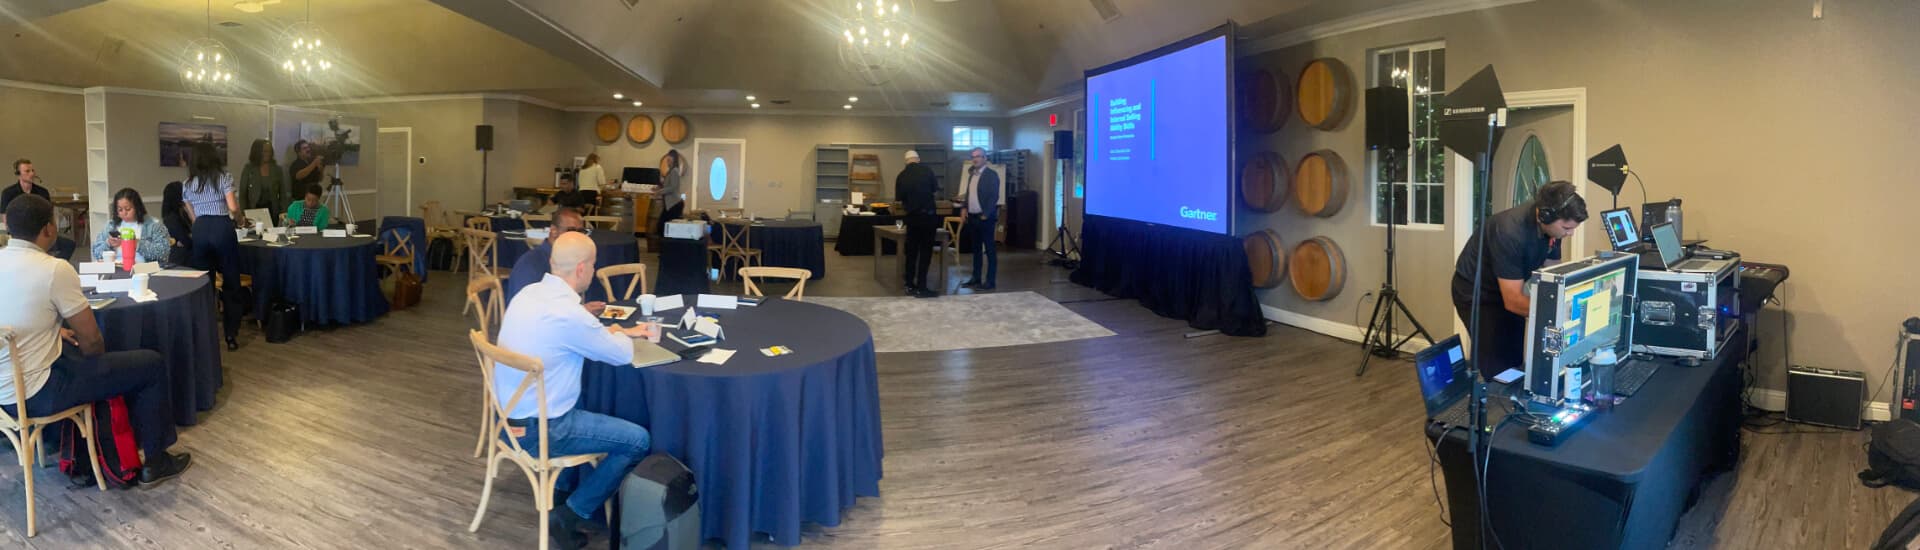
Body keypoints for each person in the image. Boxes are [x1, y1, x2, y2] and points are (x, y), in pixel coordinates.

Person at [0, 195, 194, 486]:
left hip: (4, 392)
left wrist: (53, 332)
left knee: (76, 350)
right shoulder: (53, 268)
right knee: (150, 364)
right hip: (38, 394)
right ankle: (156, 461)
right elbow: (91, 341)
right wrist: (102, 365)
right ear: (49, 229)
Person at [494, 231, 656, 549]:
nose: (593, 272)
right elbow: (621, 354)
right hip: (544, 430)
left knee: (583, 397)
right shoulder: (569, 314)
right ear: (582, 269)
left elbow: (576, 334)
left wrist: (612, 331)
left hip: (507, 421)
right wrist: (627, 334)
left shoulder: (529, 294)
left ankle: (562, 490)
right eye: (593, 266)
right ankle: (570, 513)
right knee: (638, 441)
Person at [1451, 180, 1588, 379]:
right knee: (1498, 364)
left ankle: (1513, 402)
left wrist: (1567, 303)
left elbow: (1553, 273)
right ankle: (1493, 403)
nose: (1570, 233)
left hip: (1509, 288)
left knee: (1515, 358)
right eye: (1567, 228)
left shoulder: (1552, 227)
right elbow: (1513, 301)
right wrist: (1557, 313)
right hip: (1478, 294)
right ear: (1545, 216)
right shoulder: (1509, 231)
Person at [183, 142, 245, 351]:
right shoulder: (223, 178)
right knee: (231, 283)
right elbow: (233, 207)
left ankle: (204, 335)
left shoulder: (188, 183)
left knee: (204, 285)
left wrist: (201, 225)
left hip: (200, 229)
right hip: (221, 227)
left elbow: (192, 216)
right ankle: (230, 335)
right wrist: (238, 218)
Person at [506, 208, 594, 307]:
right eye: (571, 230)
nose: (576, 236)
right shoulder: (530, 264)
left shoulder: (570, 258)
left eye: (581, 231)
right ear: (554, 231)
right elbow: (525, 310)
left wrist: (581, 310)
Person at [3, 159, 75, 259]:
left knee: (69, 245)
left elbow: (49, 215)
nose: (31, 174)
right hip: (19, 236)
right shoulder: (8, 193)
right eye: (27, 171)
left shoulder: (42, 192)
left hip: (41, 235)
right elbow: (5, 219)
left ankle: (52, 265)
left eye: (32, 170)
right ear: (18, 174)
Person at [894, 150, 941, 298]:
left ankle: (909, 284)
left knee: (911, 252)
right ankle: (922, 287)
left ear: (905, 161)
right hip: (928, 217)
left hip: (912, 218)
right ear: (918, 159)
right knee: (925, 252)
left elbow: (899, 198)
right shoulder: (927, 171)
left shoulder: (901, 176)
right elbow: (934, 189)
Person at [956, 147, 1003, 291]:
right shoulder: (972, 175)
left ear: (985, 158)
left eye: (978, 156)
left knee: (989, 250)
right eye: (973, 156)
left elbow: (993, 196)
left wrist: (986, 214)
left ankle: (990, 281)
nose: (975, 159)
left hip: (985, 218)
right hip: (973, 217)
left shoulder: (991, 175)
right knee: (976, 250)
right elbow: (969, 194)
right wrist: (964, 208)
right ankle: (976, 278)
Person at [90, 188, 171, 264]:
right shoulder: (111, 226)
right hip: (116, 268)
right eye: (120, 210)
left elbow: (163, 253)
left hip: (142, 268)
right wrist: (108, 243)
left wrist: (137, 244)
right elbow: (96, 252)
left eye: (128, 209)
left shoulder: (154, 225)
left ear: (137, 208)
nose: (124, 213)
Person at [237, 139, 289, 215]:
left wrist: (284, 212)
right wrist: (243, 213)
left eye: (270, 151)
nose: (268, 154)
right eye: (265, 151)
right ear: (257, 152)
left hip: (272, 210)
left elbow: (283, 194)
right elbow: (243, 194)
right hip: (253, 209)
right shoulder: (248, 169)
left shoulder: (277, 169)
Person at [161, 181, 194, 267]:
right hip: (181, 258)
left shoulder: (182, 212)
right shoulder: (171, 218)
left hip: (185, 253)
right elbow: (187, 241)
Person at [655, 150, 685, 235]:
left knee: (663, 227)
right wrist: (658, 188)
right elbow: (668, 186)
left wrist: (659, 192)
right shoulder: (671, 171)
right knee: (664, 227)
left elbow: (673, 187)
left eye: (669, 160)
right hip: (670, 204)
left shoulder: (674, 171)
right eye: (667, 160)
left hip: (674, 204)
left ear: (674, 160)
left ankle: (667, 246)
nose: (667, 162)